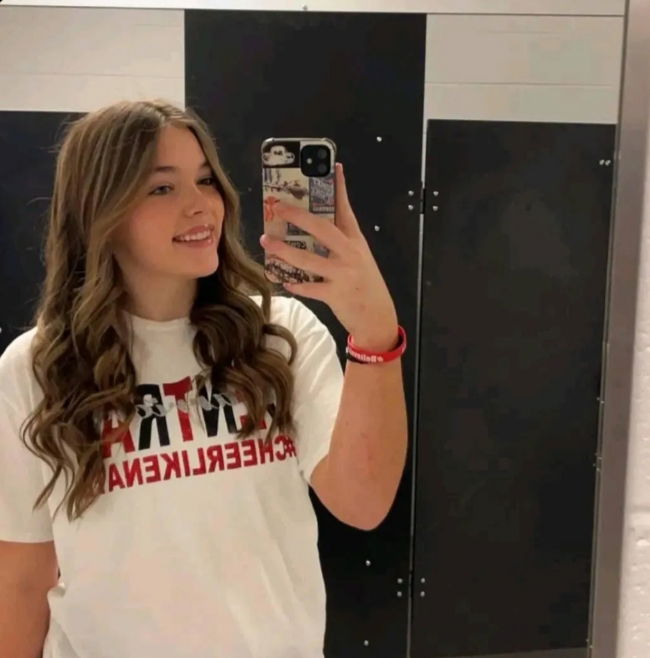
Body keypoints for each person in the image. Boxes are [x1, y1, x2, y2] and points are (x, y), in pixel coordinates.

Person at [0, 99, 408, 658]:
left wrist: (374, 331)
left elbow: (363, 503)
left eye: (206, 180)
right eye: (162, 188)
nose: (200, 206)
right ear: (100, 211)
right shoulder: (36, 368)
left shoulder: (279, 336)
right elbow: (23, 577)